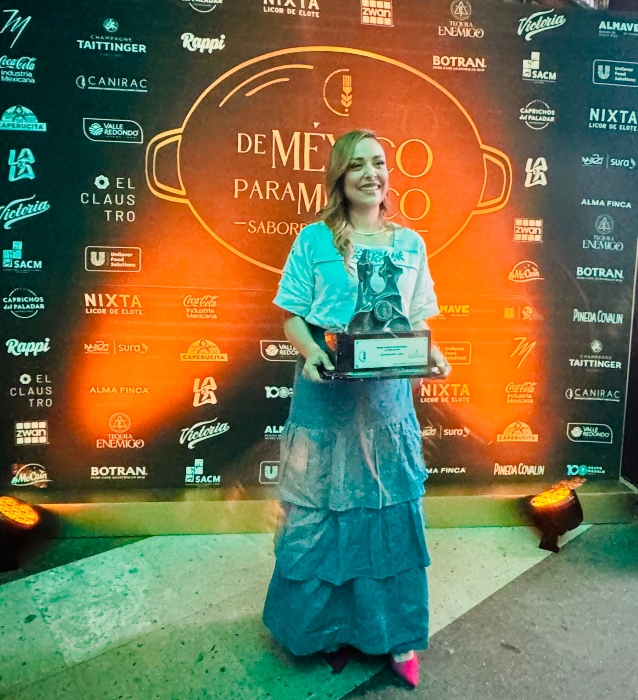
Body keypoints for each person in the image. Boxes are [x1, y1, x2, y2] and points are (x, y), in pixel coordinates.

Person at [262, 129, 450, 688]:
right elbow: (292, 317)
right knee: (324, 512)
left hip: (386, 402)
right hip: (327, 395)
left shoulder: (410, 244)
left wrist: (433, 355)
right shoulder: (313, 239)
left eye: (379, 163)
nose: (371, 174)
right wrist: (312, 353)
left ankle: (394, 636)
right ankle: (331, 630)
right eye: (357, 165)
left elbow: (417, 320)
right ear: (339, 177)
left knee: (386, 512)